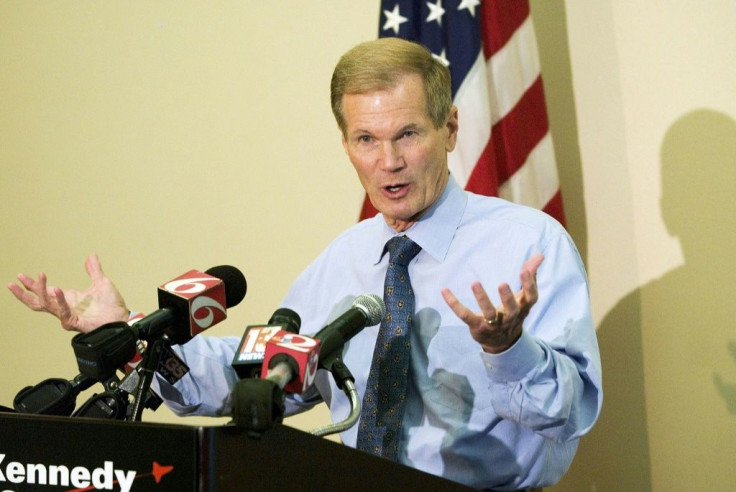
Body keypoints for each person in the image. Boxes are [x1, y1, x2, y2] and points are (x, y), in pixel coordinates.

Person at [8, 38, 601, 491]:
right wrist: (133, 333)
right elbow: (264, 377)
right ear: (345, 144)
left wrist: (508, 349)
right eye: (366, 139)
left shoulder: (528, 245)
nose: (388, 161)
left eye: (408, 134)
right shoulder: (342, 261)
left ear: (449, 130)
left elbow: (571, 415)